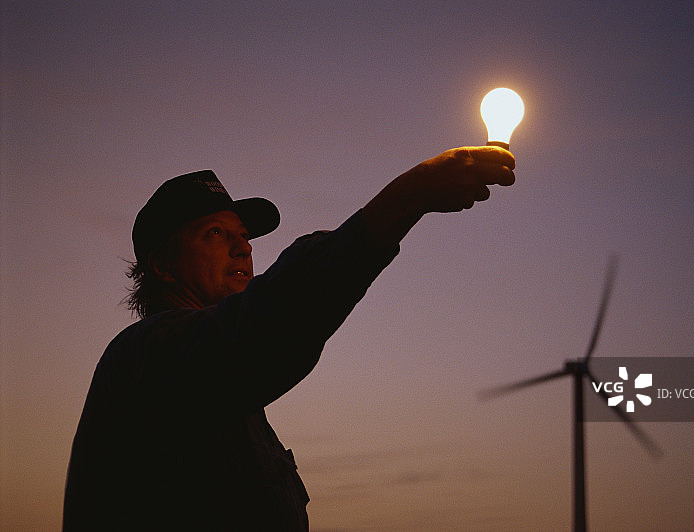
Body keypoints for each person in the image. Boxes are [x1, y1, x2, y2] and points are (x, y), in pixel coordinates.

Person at [63, 146, 515, 531]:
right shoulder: (148, 355)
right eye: (216, 233)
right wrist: (406, 198)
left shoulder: (227, 394)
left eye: (244, 236)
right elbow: (272, 320)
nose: (243, 248)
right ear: (161, 266)